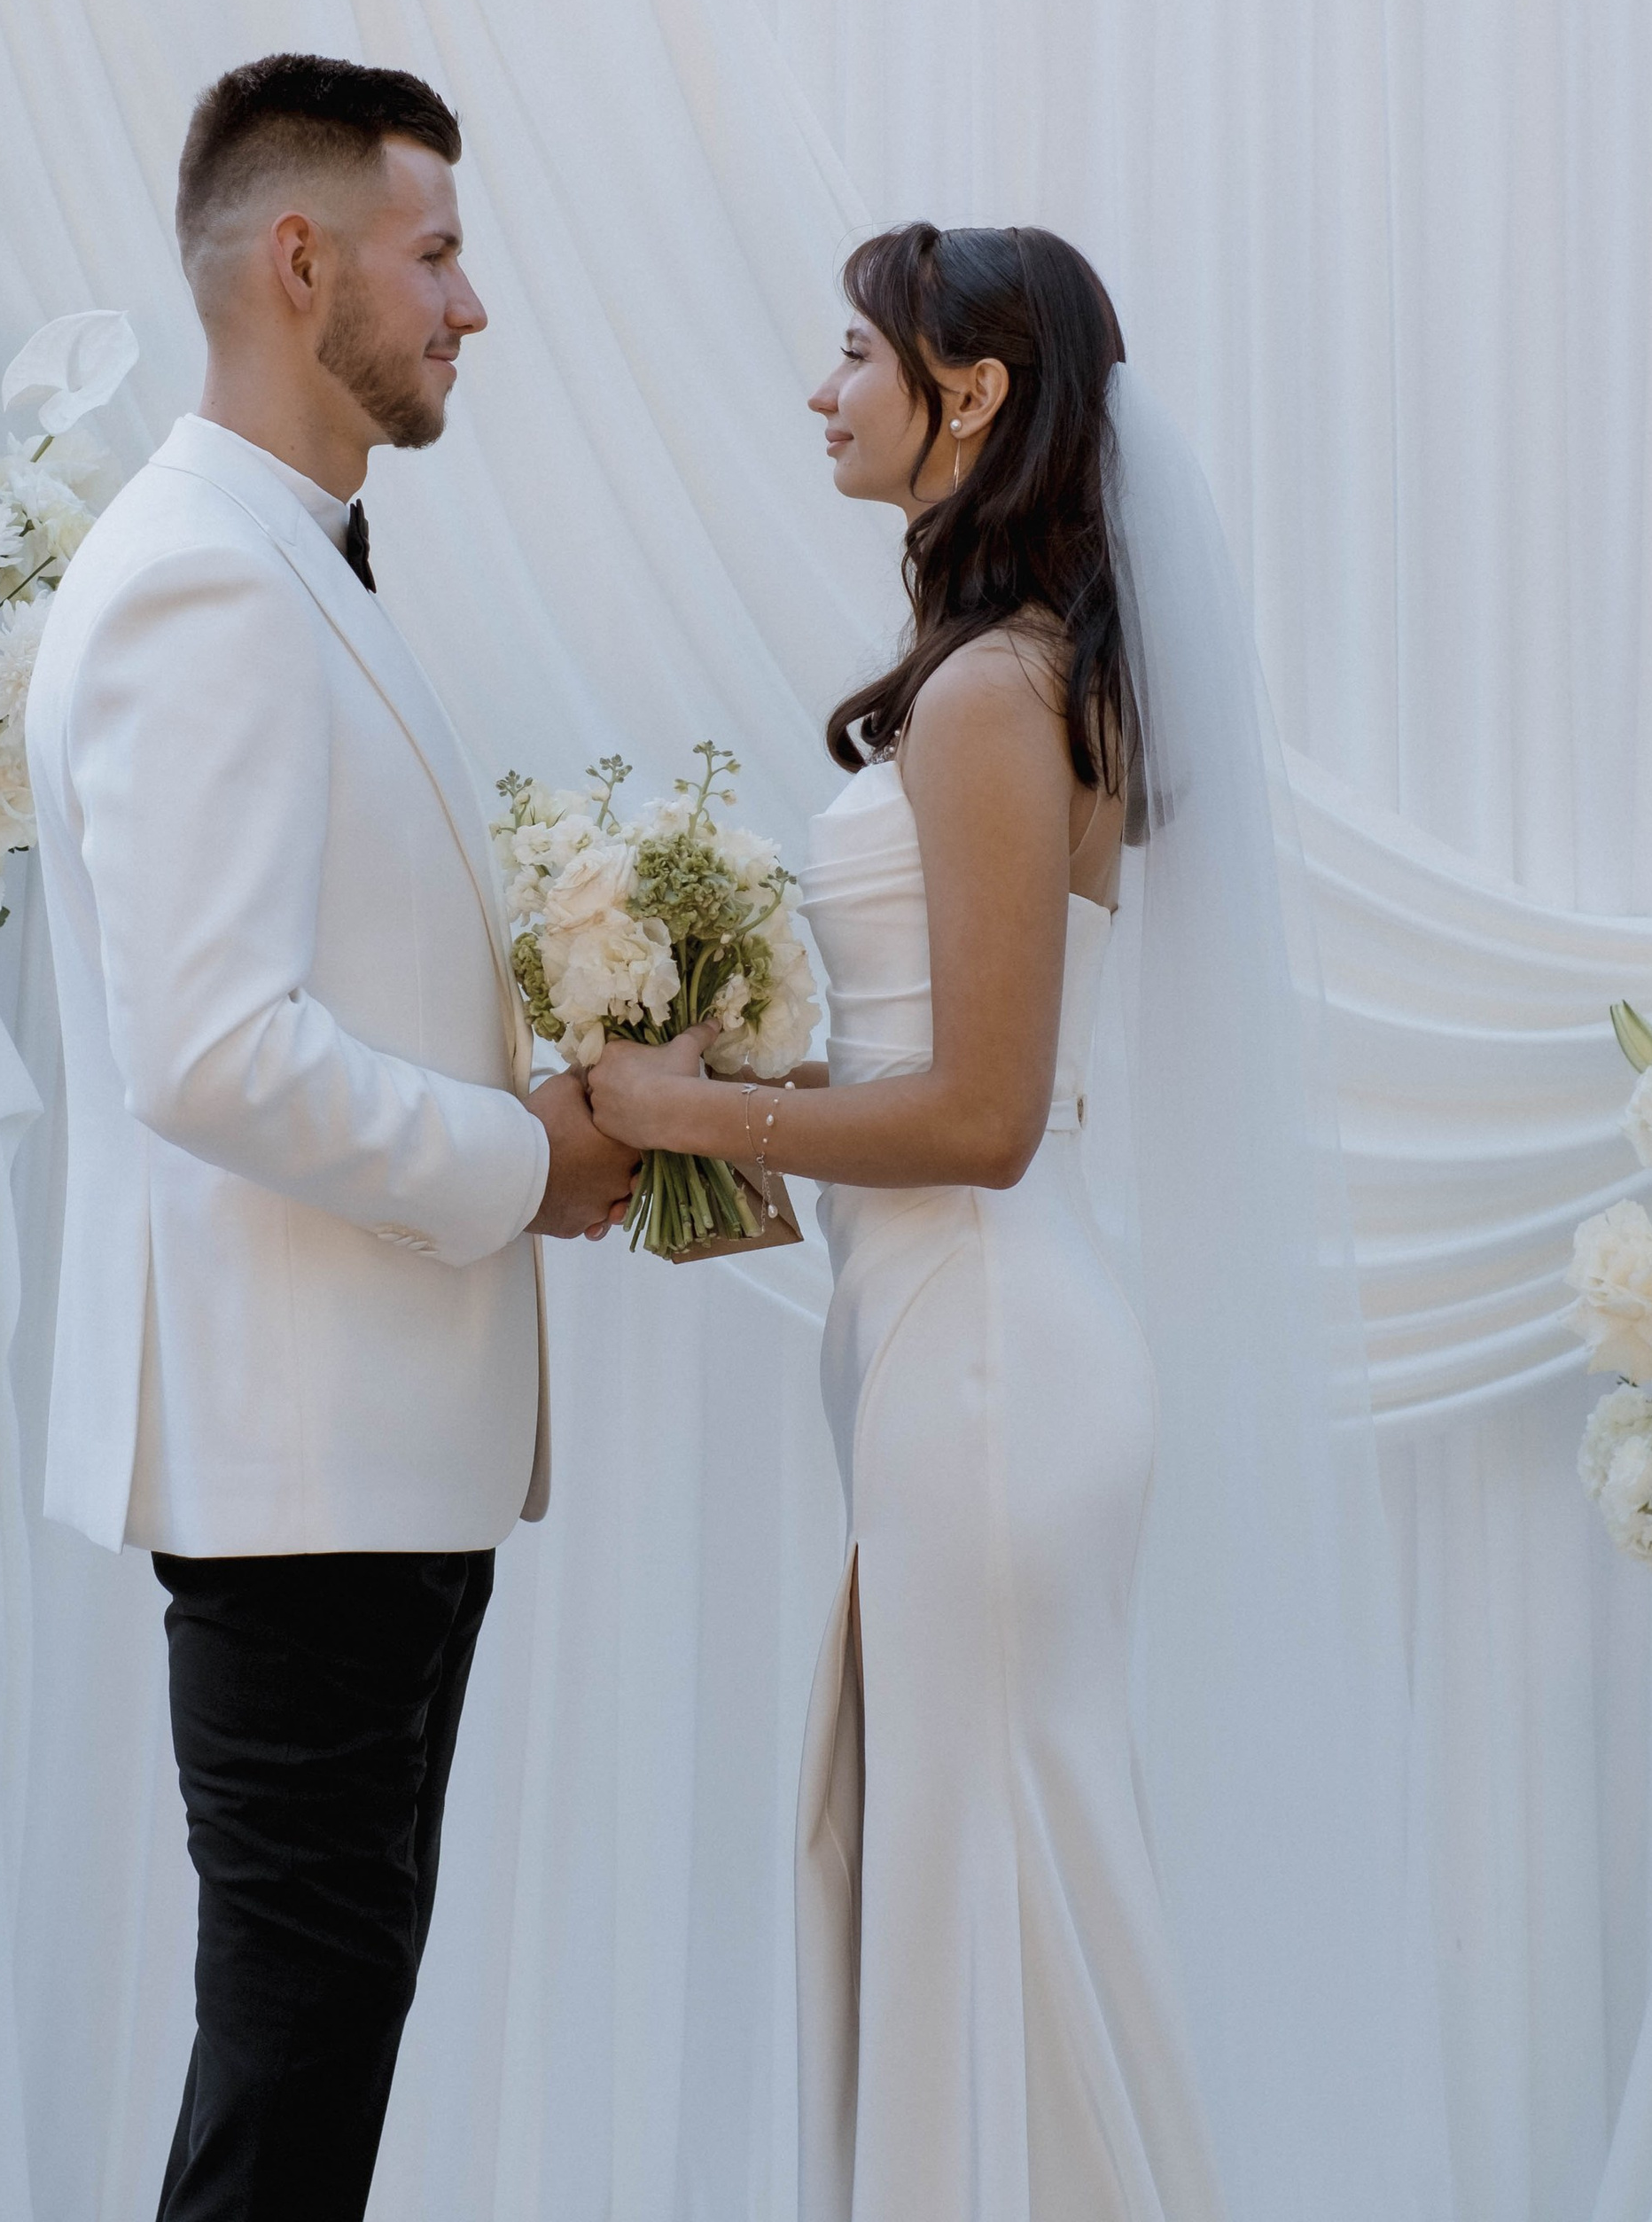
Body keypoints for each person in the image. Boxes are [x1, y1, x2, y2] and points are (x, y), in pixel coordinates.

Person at [584, 222, 1441, 2222]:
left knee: (990, 1879)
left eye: (850, 355)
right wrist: (745, 1094)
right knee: (967, 1861)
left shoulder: (990, 690)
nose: (818, 391)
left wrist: (668, 1104)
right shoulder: (1015, 667)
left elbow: (981, 1120)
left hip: (984, 1357)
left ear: (967, 392)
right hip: (958, 1348)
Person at [26, 51, 637, 2222]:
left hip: (350, 1455)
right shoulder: (205, 576)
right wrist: (521, 1160)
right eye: (439, 251)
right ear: (303, 264)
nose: (471, 306)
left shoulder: (276, 558)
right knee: (293, 2060)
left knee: (314, 2042)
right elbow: (204, 1049)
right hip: (303, 1457)